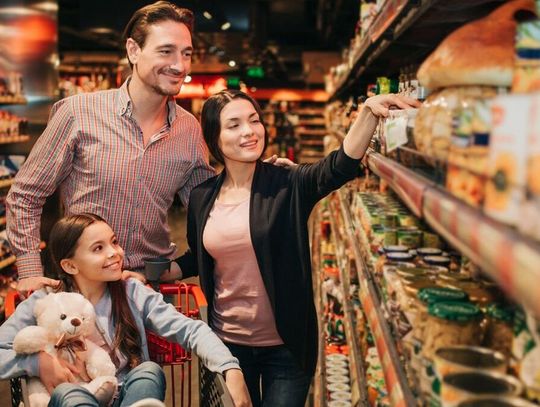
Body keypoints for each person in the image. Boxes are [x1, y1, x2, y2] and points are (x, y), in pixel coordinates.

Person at [5, 1, 290, 298]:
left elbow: (207, 205)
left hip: (150, 287)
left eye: (186, 53)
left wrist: (257, 178)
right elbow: (26, 195)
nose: (179, 65)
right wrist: (29, 272)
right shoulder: (78, 113)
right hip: (83, 289)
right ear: (133, 50)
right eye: (166, 51)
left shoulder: (188, 129)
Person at [175, 90, 420, 406]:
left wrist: (368, 113)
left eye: (254, 121)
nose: (249, 131)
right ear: (215, 139)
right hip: (228, 347)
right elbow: (199, 257)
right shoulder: (202, 196)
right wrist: (157, 270)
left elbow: (338, 167)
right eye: (233, 125)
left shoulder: (287, 183)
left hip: (286, 349)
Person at [0, 213, 252, 407]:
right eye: (98, 248)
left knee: (148, 371)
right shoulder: (45, 301)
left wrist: (230, 367)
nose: (115, 253)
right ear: (70, 265)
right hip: (71, 398)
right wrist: (37, 361)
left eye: (114, 242)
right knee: (68, 393)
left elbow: (191, 330)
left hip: (127, 397)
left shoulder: (131, 292)